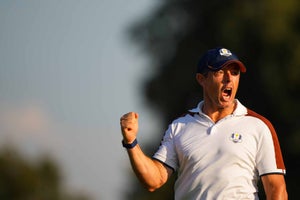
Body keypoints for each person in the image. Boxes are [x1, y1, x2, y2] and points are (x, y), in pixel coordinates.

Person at [120, 47, 288, 199]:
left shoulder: (258, 126)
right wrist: (131, 142)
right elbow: (154, 180)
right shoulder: (179, 126)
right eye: (220, 72)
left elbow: (276, 189)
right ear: (202, 79)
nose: (229, 79)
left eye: (234, 72)